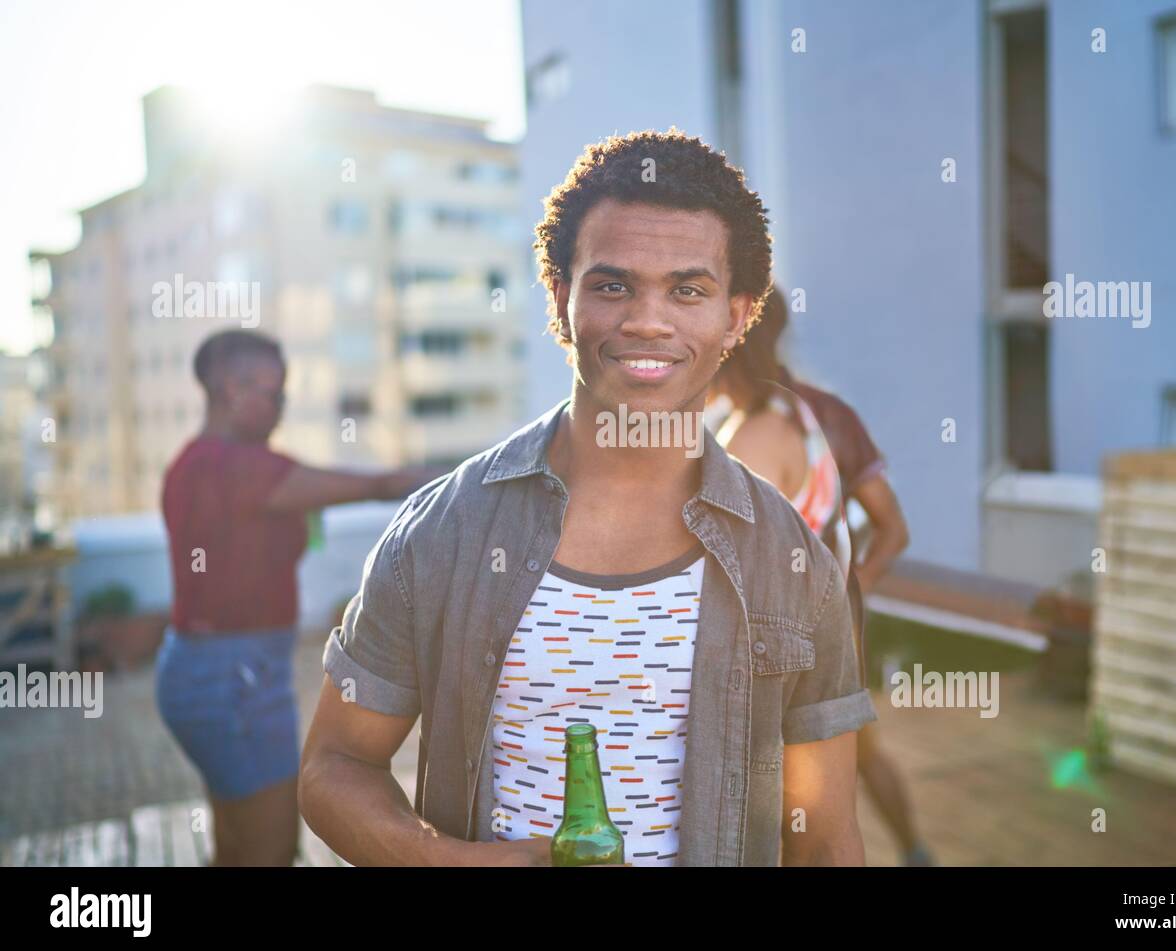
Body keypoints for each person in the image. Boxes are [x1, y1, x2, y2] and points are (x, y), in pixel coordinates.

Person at [299, 129, 876, 866]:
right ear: (559, 294)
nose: (647, 320)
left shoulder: (794, 560)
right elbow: (333, 767)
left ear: (738, 316)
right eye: (613, 285)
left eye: (687, 289)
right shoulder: (444, 529)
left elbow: (825, 840)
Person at [157, 329, 433, 866]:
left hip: (212, 670)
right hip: (234, 678)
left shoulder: (203, 462)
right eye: (272, 393)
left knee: (236, 845)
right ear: (229, 388)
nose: (280, 408)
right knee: (270, 852)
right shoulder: (229, 465)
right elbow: (376, 485)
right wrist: (470, 481)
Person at [708, 286, 935, 866]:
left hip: (784, 644)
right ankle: (915, 851)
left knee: (799, 788)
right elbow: (893, 532)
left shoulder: (756, 434)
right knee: (849, 758)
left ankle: (913, 851)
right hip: (828, 637)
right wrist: (847, 605)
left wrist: (836, 604)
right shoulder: (815, 414)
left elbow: (727, 563)